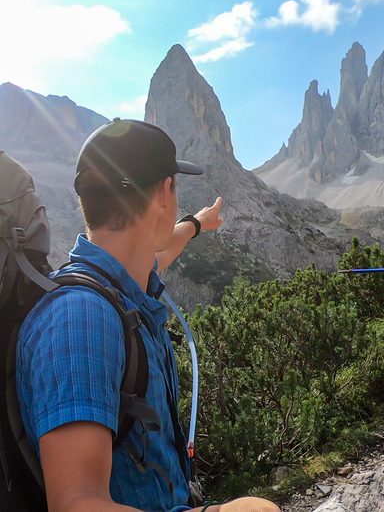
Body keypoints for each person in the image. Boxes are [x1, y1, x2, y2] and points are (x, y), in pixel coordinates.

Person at [16, 119, 280, 512]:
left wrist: (195, 224)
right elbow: (76, 503)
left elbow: (160, 254)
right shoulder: (80, 319)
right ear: (165, 190)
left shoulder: (118, 278)